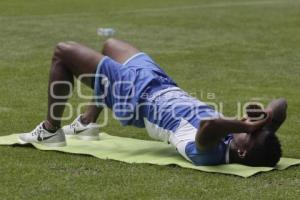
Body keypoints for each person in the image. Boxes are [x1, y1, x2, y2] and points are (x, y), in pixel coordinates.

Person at [19, 38, 286, 166]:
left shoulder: (208, 153)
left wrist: (241, 124)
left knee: (62, 52)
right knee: (111, 44)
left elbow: (209, 124)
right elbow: (282, 105)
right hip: (161, 83)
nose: (250, 129)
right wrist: (265, 117)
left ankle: (50, 130)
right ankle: (87, 122)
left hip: (134, 97)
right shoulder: (248, 141)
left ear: (242, 152)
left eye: (250, 134)